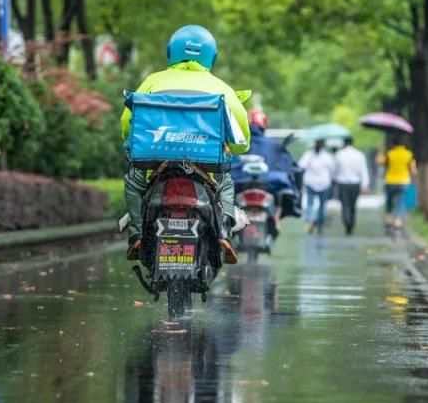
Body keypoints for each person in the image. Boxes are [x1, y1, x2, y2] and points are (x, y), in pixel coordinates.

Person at [120, 25, 250, 265]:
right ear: (212, 56)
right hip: (206, 164)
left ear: (171, 52)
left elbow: (129, 121)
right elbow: (241, 134)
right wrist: (238, 149)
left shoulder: (152, 81)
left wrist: (129, 142)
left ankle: (137, 234)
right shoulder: (222, 88)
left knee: (133, 182)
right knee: (226, 185)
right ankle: (223, 232)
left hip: (157, 161)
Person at [230, 109, 299, 237]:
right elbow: (288, 166)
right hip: (270, 184)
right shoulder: (274, 145)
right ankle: (276, 220)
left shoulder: (236, 144)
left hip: (239, 183)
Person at [376, 135, 417, 232]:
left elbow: (378, 162)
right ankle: (397, 223)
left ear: (393, 144)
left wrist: (380, 151)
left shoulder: (389, 154)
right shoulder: (409, 154)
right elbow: (414, 171)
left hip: (390, 181)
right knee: (400, 203)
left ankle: (389, 222)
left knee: (389, 203)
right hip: (403, 182)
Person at [298, 139, 336, 234]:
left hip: (313, 182)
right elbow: (332, 170)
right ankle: (317, 222)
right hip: (322, 183)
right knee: (321, 205)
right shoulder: (327, 156)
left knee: (311, 203)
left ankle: (312, 220)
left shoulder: (308, 155)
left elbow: (301, 166)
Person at [333, 136, 369, 235]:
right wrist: (364, 185)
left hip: (342, 183)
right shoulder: (359, 155)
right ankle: (351, 223)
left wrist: (334, 180)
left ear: (344, 143)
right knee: (353, 205)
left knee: (345, 204)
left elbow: (335, 170)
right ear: (352, 143)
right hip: (355, 184)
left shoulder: (339, 155)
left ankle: (346, 221)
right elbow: (363, 171)